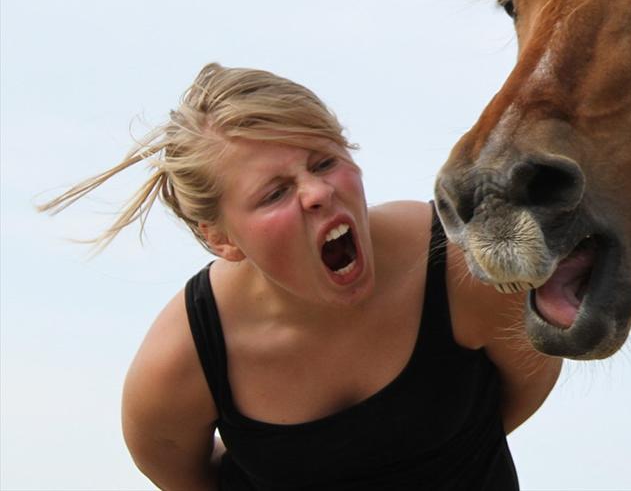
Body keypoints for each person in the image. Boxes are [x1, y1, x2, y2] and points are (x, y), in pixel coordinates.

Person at [40, 63, 561, 490]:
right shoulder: (182, 364)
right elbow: (182, 476)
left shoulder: (459, 267)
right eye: (274, 193)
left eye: (324, 161)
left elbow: (520, 391)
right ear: (220, 238)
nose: (316, 192)